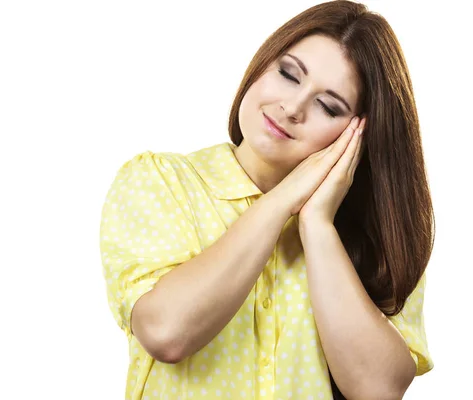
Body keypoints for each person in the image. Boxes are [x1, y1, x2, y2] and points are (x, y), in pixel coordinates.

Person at [99, 0, 434, 398]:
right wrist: (280, 201)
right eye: (288, 74)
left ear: (360, 134)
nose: (292, 107)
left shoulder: (379, 231)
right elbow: (165, 332)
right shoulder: (162, 181)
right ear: (262, 64)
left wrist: (317, 225)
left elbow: (378, 390)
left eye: (327, 106)